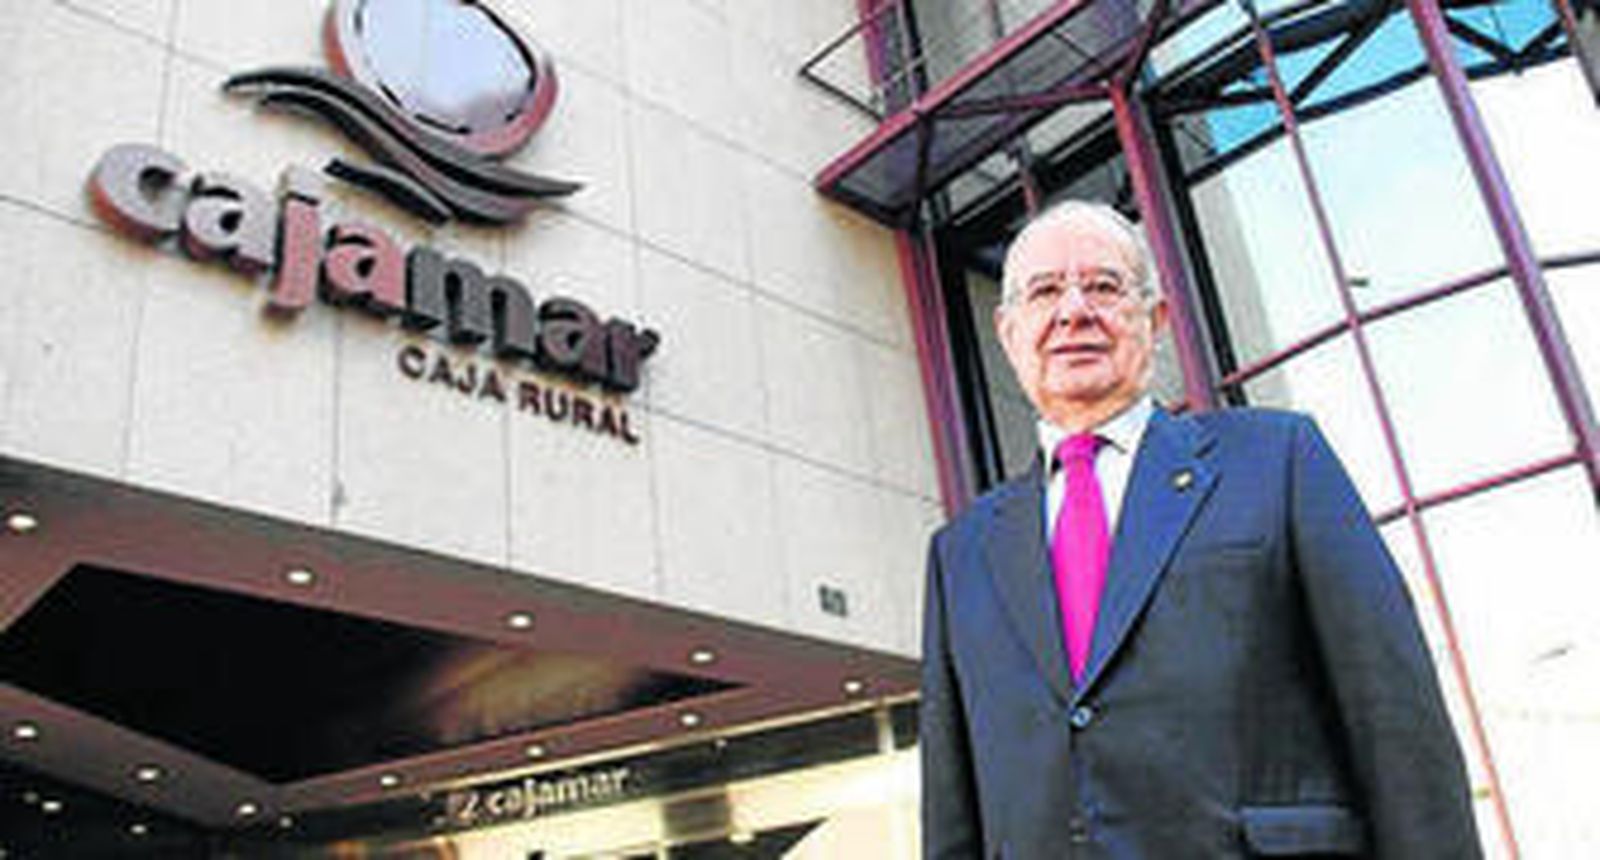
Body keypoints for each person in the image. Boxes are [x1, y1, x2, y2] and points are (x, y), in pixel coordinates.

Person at [919, 200, 1482, 859]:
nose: (1074, 311)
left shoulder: (1278, 460)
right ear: (1008, 332)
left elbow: (1395, 719)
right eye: (1044, 291)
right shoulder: (960, 553)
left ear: (1156, 320)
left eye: (1103, 286)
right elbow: (953, 816)